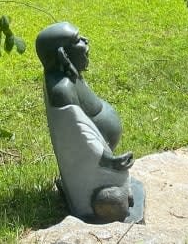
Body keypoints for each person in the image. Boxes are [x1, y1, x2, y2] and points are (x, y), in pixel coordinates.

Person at [36, 22, 144, 224]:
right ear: (63, 55)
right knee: (114, 200)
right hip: (94, 171)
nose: (86, 41)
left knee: (122, 190)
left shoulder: (68, 74)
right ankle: (98, 210)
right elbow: (77, 137)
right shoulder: (62, 91)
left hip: (100, 163)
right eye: (77, 40)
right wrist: (110, 161)